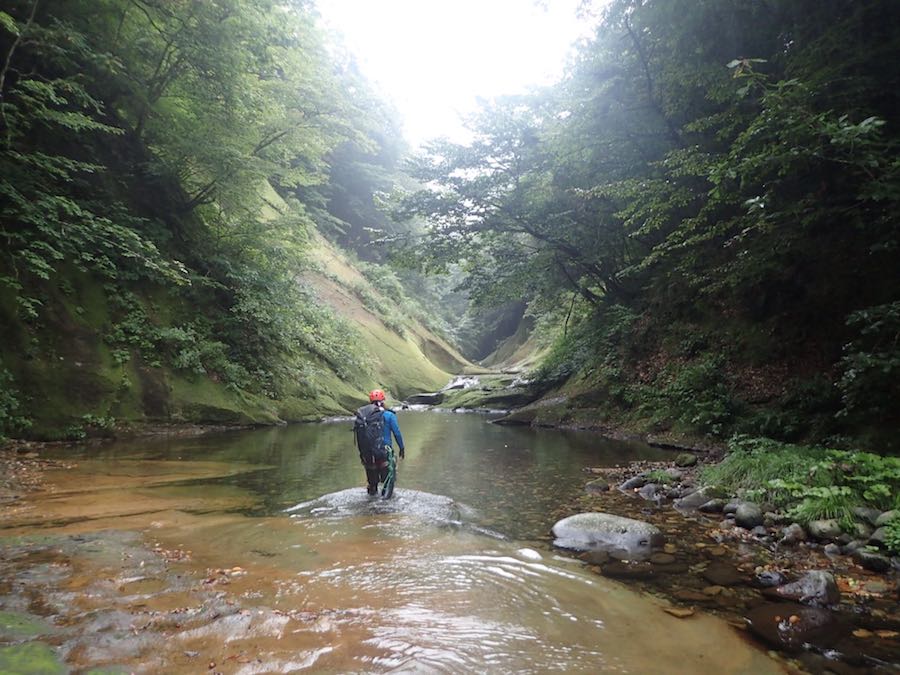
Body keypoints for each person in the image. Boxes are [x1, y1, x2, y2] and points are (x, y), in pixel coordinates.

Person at [354, 389, 405, 498]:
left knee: (372, 484)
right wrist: (402, 448)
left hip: (368, 454)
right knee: (388, 481)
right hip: (384, 452)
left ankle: (371, 500)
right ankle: (385, 505)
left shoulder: (364, 417)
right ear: (383, 400)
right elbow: (397, 433)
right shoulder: (389, 415)